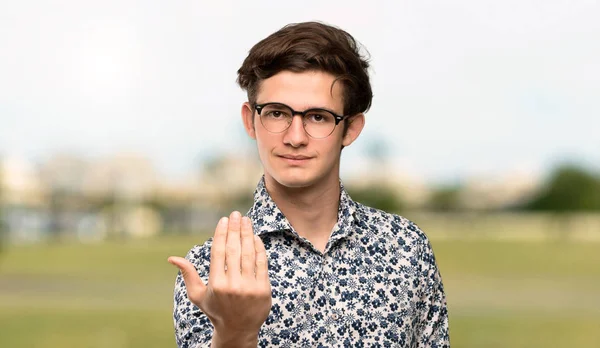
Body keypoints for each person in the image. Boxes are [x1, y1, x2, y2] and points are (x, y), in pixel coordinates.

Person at [168, 21, 449, 348]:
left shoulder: (405, 248)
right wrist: (234, 333)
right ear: (250, 120)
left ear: (351, 128)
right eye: (276, 113)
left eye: (318, 117)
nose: (295, 138)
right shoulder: (212, 269)